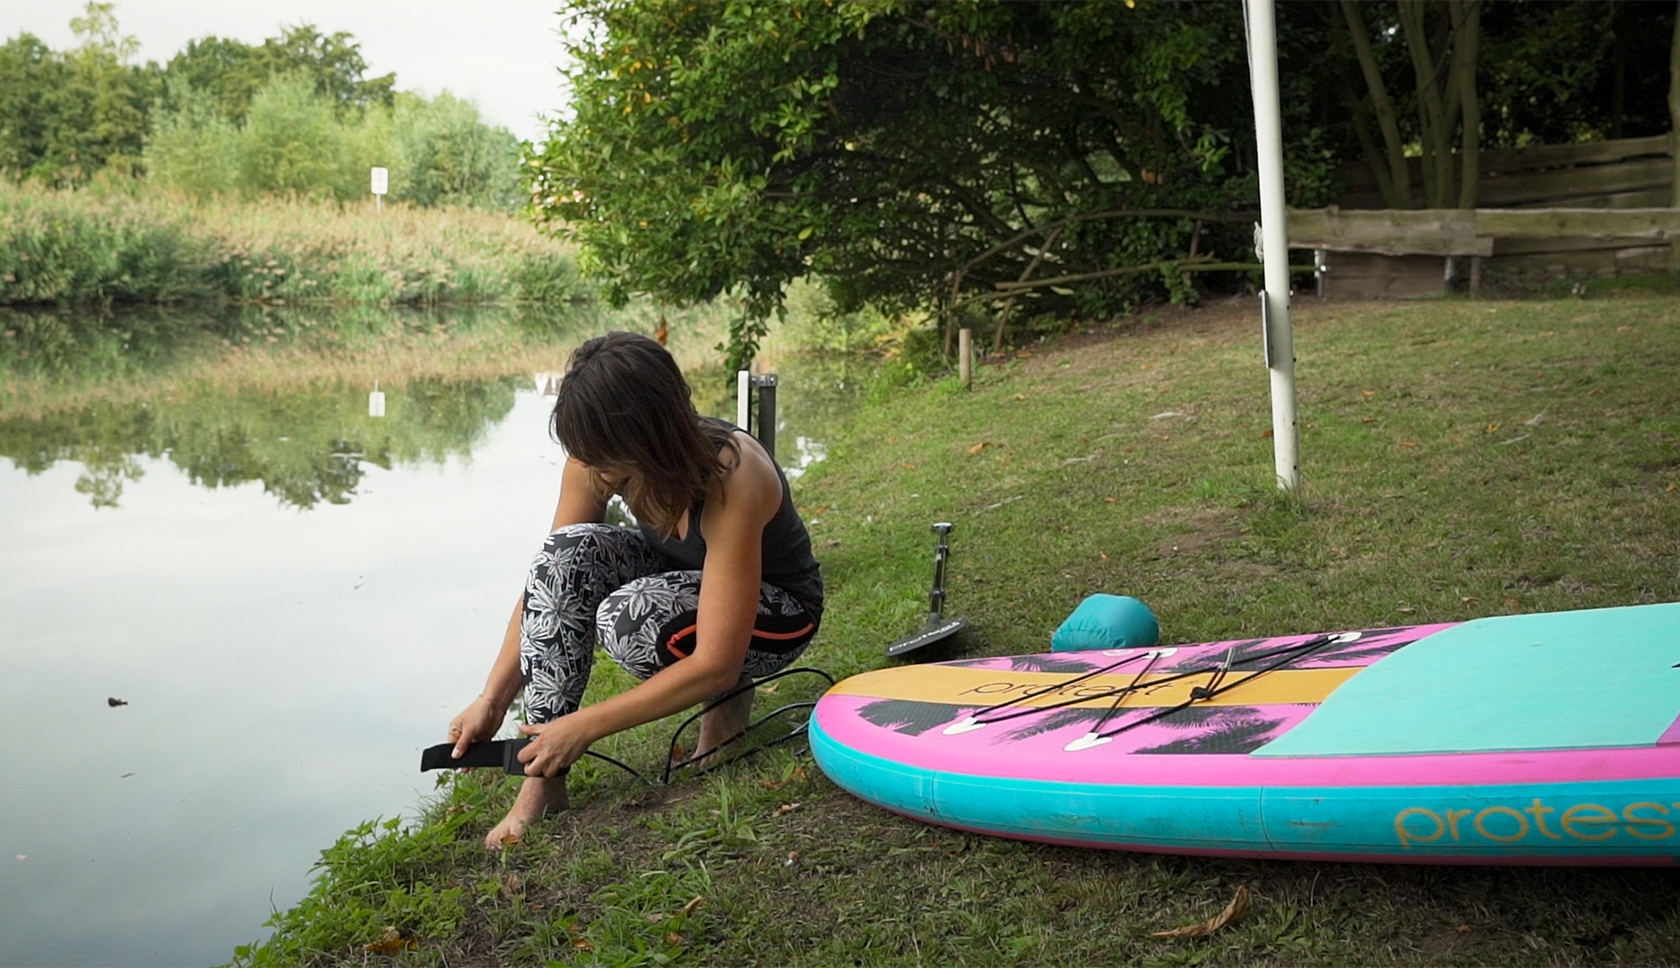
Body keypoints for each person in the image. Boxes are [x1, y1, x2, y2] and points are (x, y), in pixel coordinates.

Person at [446, 331, 823, 849]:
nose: (593, 469)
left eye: (604, 455)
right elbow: (547, 584)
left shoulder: (733, 475)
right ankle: (542, 781)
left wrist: (586, 726)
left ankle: (727, 711)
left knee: (632, 621)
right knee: (564, 554)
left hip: (779, 611)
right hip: (679, 586)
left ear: (647, 436)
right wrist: (491, 698)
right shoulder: (592, 461)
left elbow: (716, 658)